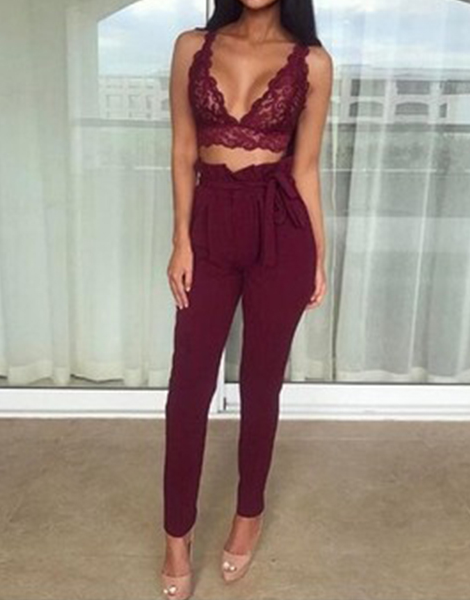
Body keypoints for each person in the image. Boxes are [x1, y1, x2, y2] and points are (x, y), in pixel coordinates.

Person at [161, 0, 332, 597]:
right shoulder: (192, 47)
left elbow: (305, 168)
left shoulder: (312, 62)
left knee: (262, 384)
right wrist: (181, 240)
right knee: (188, 387)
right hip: (210, 222)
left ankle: (247, 515)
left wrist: (319, 254)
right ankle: (176, 535)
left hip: (280, 226)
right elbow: (184, 150)